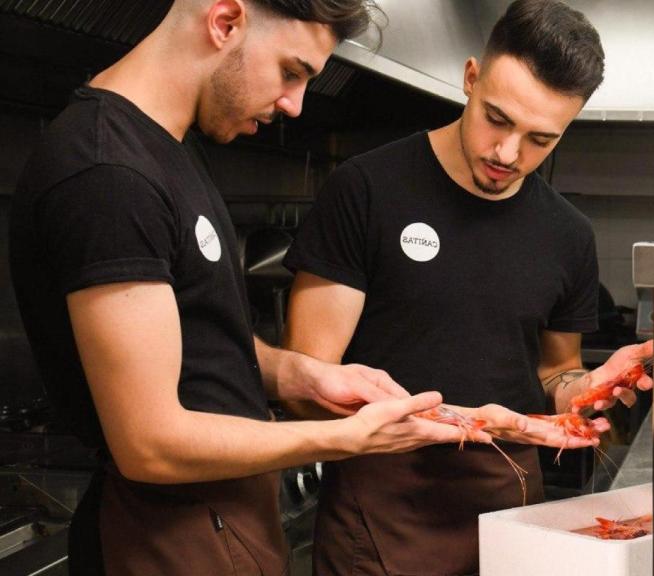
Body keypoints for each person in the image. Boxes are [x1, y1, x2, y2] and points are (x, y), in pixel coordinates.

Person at [9, 1, 493, 574]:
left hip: (217, 514)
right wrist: (343, 440)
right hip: (170, 530)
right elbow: (150, 444)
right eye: (292, 71)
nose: (294, 104)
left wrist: (299, 373)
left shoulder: (167, 148)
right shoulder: (109, 173)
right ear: (225, 21)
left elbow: (195, 341)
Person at [282, 1, 654, 573]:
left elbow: (555, 376)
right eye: (497, 119)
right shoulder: (367, 190)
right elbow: (304, 387)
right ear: (471, 77)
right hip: (383, 508)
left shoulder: (567, 234)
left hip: (509, 503)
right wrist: (457, 422)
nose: (509, 154)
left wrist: (589, 388)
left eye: (541, 140)